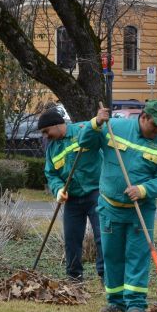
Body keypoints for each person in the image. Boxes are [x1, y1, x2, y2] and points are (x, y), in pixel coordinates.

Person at [80, 100, 157, 312]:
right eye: (155, 126)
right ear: (144, 117)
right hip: (110, 208)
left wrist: (143, 189)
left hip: (140, 211)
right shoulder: (114, 127)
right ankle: (115, 300)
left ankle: (135, 303)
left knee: (138, 255)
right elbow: (85, 143)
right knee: (111, 255)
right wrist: (95, 123)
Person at [40, 110, 104, 282]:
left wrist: (97, 122)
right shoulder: (52, 149)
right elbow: (51, 174)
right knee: (71, 239)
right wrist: (59, 189)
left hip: (95, 192)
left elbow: (98, 133)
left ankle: (106, 275)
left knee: (102, 235)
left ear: (56, 125)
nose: (46, 136)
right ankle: (74, 276)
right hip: (72, 198)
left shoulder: (82, 130)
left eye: (47, 131)